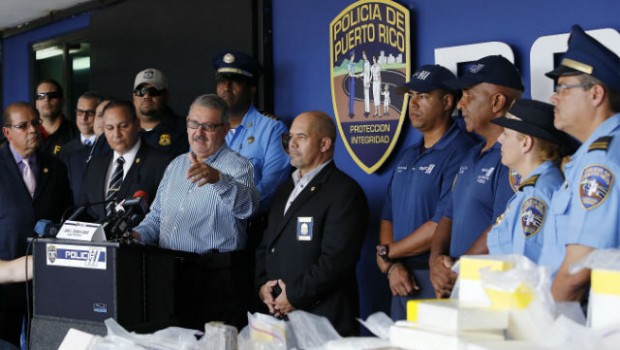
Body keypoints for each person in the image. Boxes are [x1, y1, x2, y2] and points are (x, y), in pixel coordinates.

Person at [133, 94, 258, 329]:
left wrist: (218, 179)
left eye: (208, 126)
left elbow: (247, 208)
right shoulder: (176, 165)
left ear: (225, 129)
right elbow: (157, 217)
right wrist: (135, 237)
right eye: (193, 124)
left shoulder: (238, 166)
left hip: (214, 279)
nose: (198, 132)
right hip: (169, 275)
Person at [256, 111, 368, 336]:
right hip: (280, 317)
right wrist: (263, 286)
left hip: (324, 320)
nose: (292, 144)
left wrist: (295, 296)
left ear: (325, 143)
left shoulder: (345, 191)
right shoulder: (285, 187)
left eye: (301, 137)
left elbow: (336, 261)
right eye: (290, 137)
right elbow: (268, 243)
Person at [377, 65, 477, 320]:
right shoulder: (409, 154)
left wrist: (388, 254)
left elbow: (441, 222)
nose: (413, 104)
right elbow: (388, 215)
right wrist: (392, 266)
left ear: (446, 101)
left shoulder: (463, 150)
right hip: (400, 278)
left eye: (422, 97)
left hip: (435, 275)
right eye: (411, 97)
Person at [429, 55, 523, 298]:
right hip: (459, 282)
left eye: (469, 95)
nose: (461, 105)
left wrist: (459, 269)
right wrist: (436, 261)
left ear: (497, 101)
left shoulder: (517, 157)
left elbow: (503, 225)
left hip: (490, 288)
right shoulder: (471, 154)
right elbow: (448, 215)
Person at [542, 25, 620, 302]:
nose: (554, 97)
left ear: (596, 94)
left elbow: (575, 274)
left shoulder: (601, 161)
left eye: (563, 88)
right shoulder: (595, 153)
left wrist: (546, 328)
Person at [0, 102, 72, 347]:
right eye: (23, 126)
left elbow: (66, 216)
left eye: (35, 123)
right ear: (7, 132)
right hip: (5, 275)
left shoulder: (55, 167)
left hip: (46, 276)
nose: (32, 130)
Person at [487, 99, 576, 264]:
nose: (500, 139)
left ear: (526, 143)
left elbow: (525, 265)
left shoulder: (537, 193)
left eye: (506, 133)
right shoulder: (535, 186)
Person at [213, 51, 290, 213]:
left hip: (249, 227)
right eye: (222, 81)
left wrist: (229, 209)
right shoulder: (207, 127)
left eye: (235, 82)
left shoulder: (272, 129)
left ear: (252, 89)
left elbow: (271, 188)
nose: (226, 88)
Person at [80, 100, 170, 224]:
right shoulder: (95, 164)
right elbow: (87, 211)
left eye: (123, 126)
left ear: (137, 124)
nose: (116, 134)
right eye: (110, 128)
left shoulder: (161, 163)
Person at [132, 68, 189, 157]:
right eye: (141, 91)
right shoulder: (120, 129)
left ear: (166, 95)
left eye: (153, 91)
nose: (146, 96)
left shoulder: (185, 131)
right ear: (134, 96)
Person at [59, 91, 104, 202]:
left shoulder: (109, 148)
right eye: (80, 112)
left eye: (90, 113)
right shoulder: (66, 150)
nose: (84, 118)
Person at [35, 79, 79, 156]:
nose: (46, 100)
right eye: (41, 96)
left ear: (62, 101)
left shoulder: (76, 133)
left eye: (52, 96)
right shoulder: (29, 133)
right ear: (36, 103)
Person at [361, 51, 371, 117]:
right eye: (363, 55)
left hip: (367, 80)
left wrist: (368, 81)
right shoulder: (364, 63)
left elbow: (368, 73)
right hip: (365, 80)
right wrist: (359, 75)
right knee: (365, 96)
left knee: (367, 96)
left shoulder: (367, 63)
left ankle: (367, 111)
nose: (363, 56)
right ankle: (366, 110)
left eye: (364, 55)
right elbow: (364, 72)